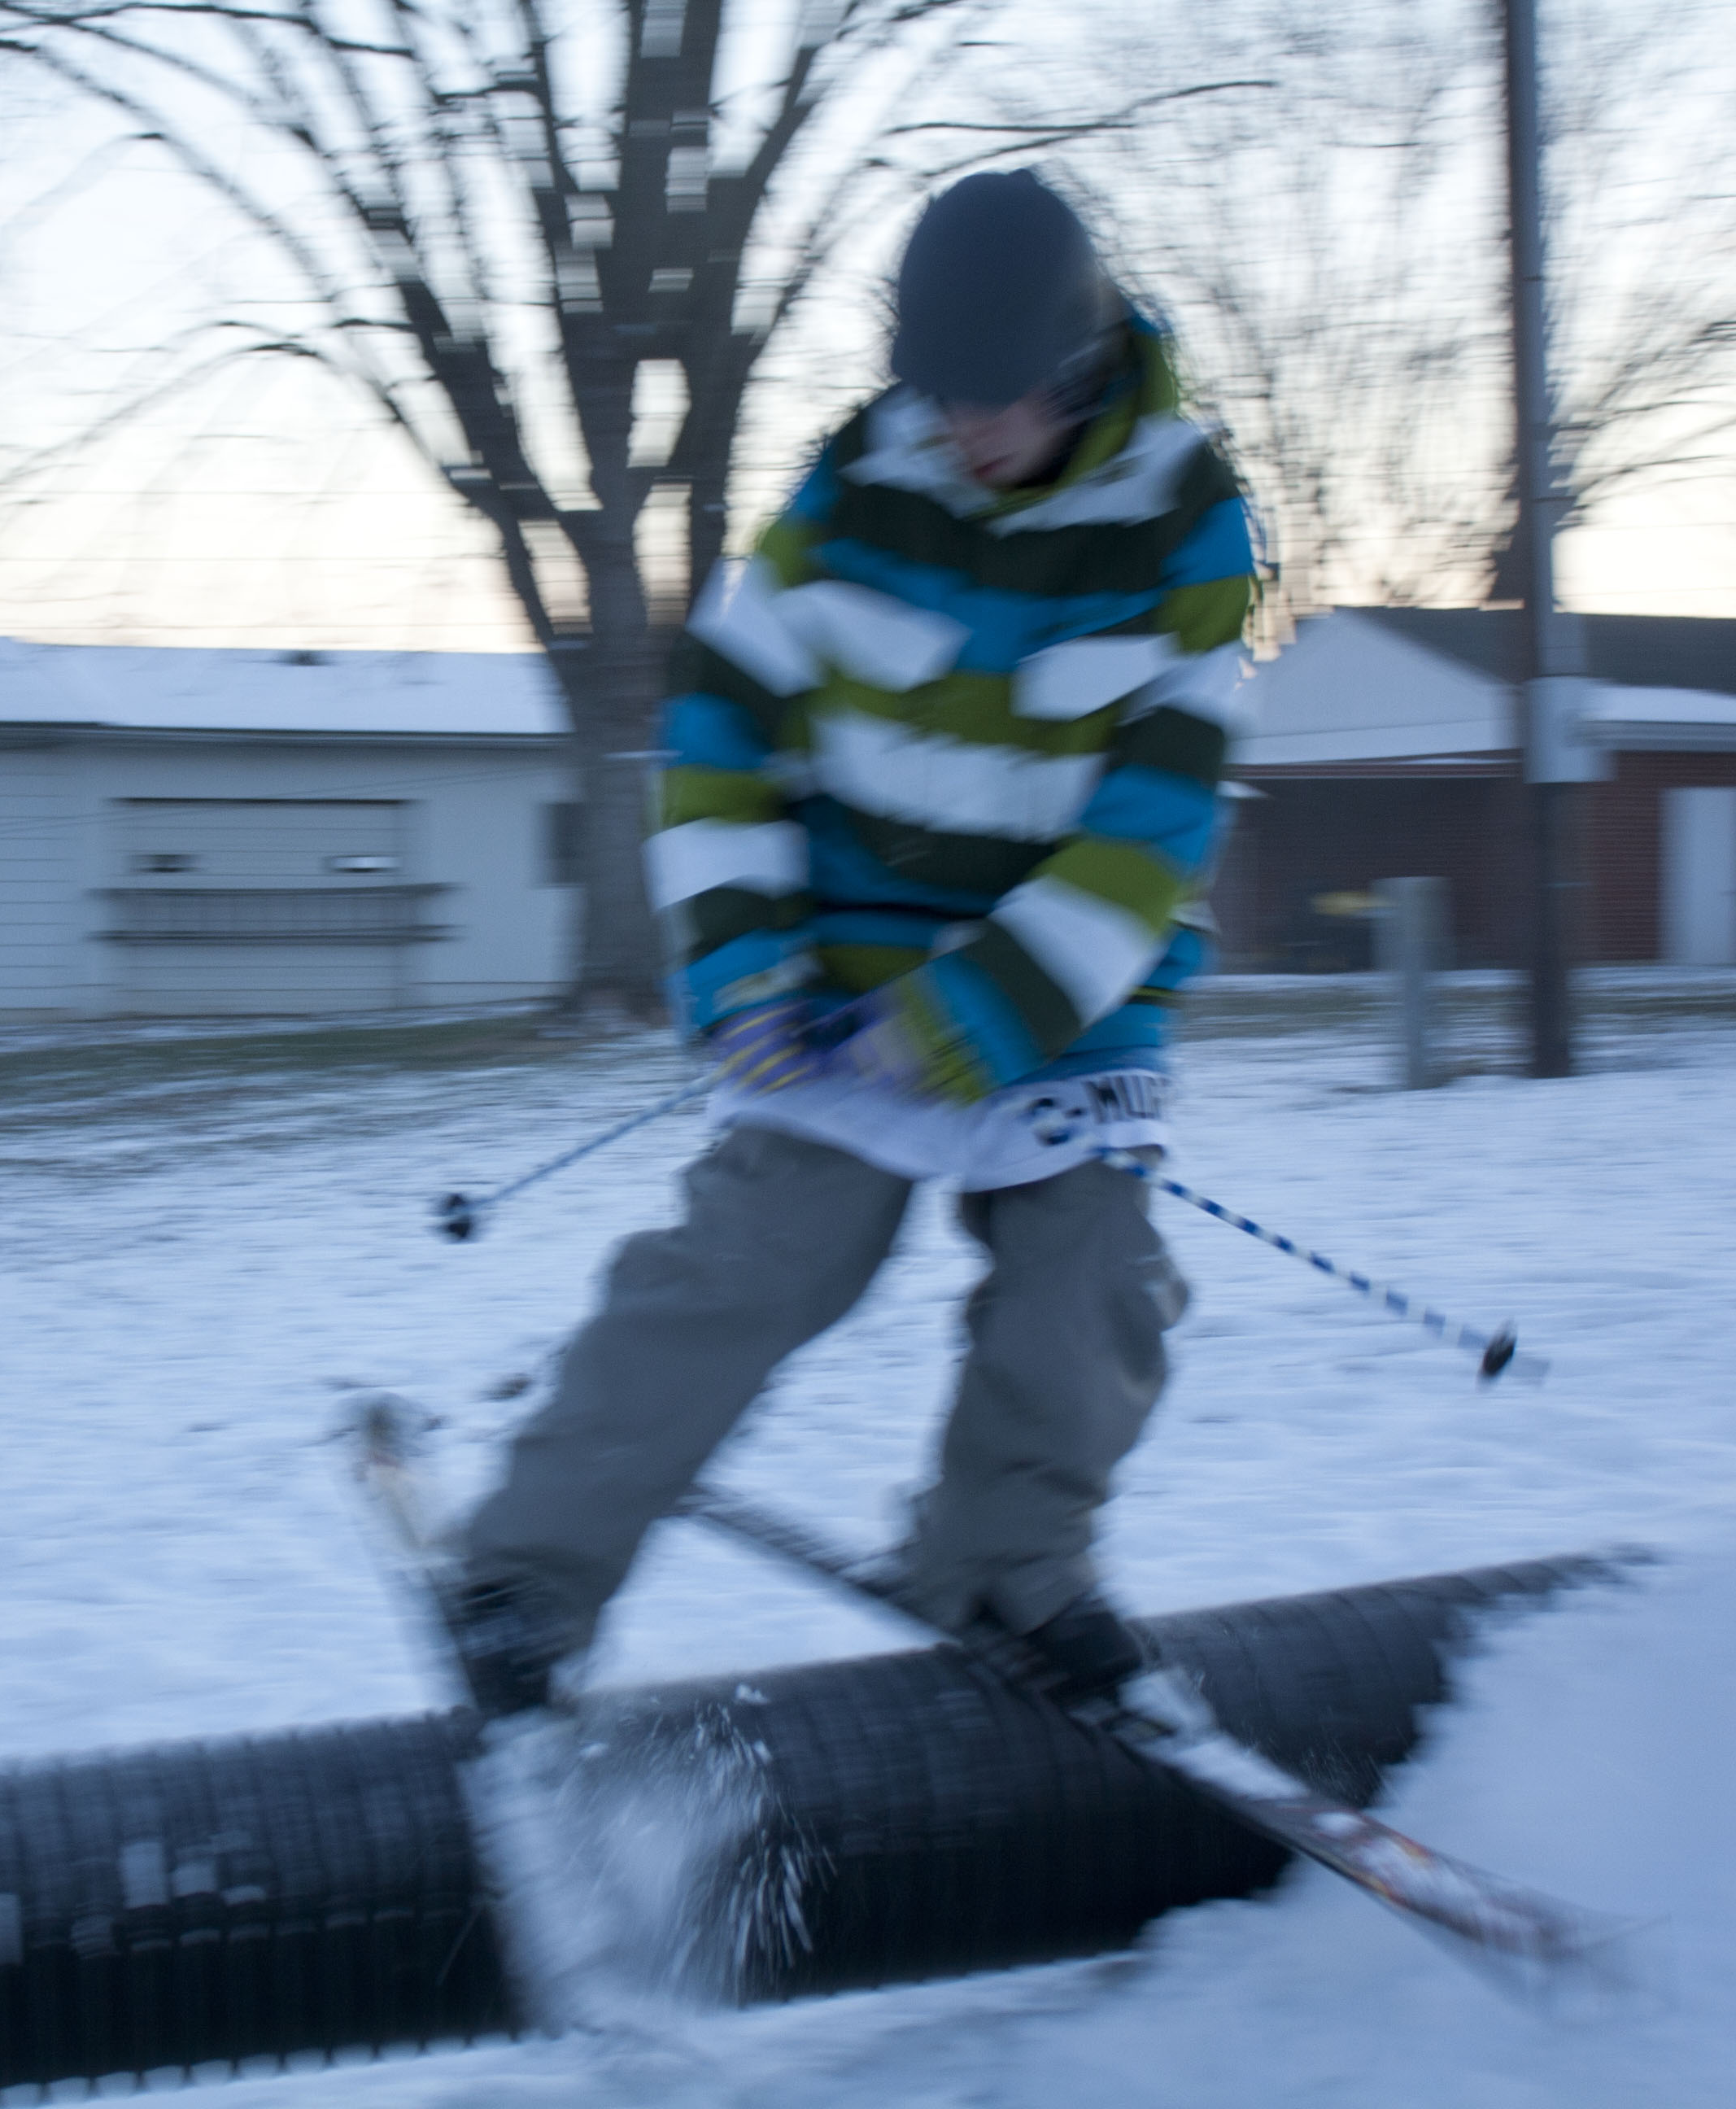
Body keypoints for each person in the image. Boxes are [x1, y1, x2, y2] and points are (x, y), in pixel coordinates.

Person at [451, 169, 1254, 1721]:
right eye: (941, 398)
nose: (965, 432)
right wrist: (742, 965)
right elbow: (719, 740)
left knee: (1086, 1288)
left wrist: (986, 1011)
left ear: (1082, 363)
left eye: (998, 401)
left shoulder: (1187, 521)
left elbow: (1155, 826)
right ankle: (526, 1577)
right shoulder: (849, 494)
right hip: (839, 978)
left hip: (1067, 992)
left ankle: (1010, 1566)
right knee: (753, 1260)